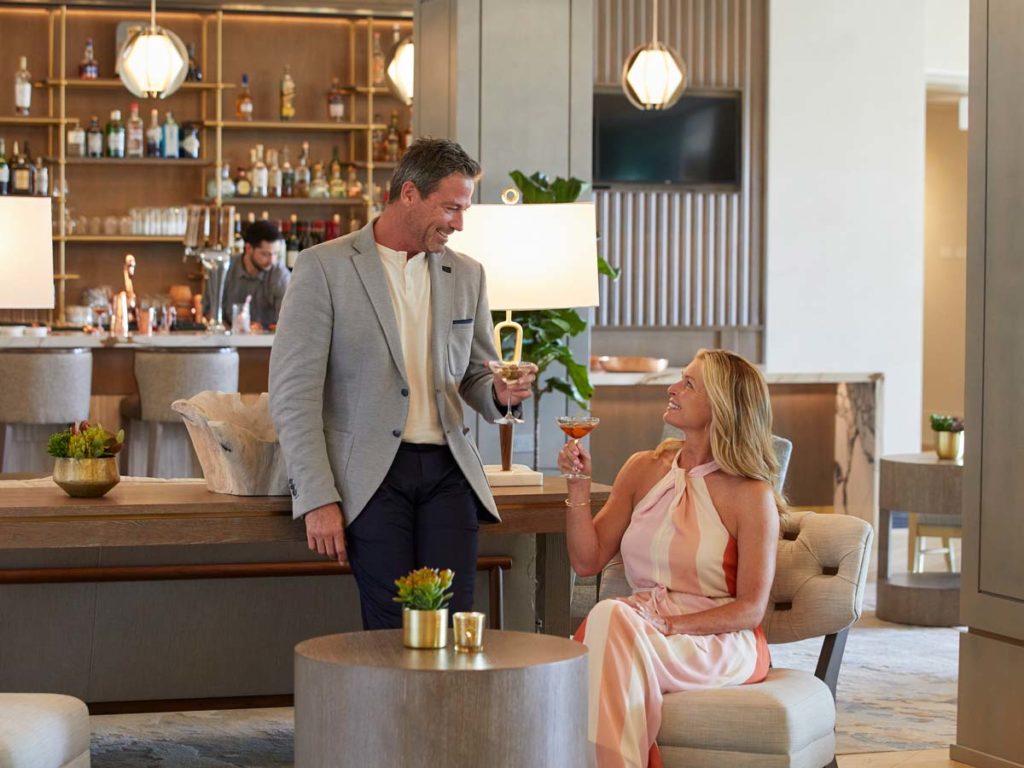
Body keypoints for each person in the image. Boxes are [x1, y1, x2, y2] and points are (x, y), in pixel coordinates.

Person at [269, 138, 536, 630]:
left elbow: (477, 374)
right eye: (451, 208)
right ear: (409, 194)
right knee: (391, 631)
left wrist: (500, 394)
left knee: (453, 625)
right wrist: (317, 497)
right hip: (370, 481)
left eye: (464, 210)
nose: (459, 224)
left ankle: (449, 711)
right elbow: (294, 397)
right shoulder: (323, 268)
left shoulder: (468, 275)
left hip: (448, 475)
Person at [559, 348, 783, 768]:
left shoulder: (752, 496)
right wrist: (578, 486)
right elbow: (586, 561)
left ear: (720, 406)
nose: (672, 388)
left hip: (714, 640)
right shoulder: (644, 468)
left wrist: (671, 625)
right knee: (612, 619)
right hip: (639, 625)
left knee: (605, 628)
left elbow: (750, 610)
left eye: (689, 384)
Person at [204, 219, 289, 328]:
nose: (272, 261)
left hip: (269, 343)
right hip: (227, 340)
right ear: (249, 248)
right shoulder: (224, 269)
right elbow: (209, 311)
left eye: (275, 254)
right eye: (265, 254)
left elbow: (287, 321)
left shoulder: (280, 275)